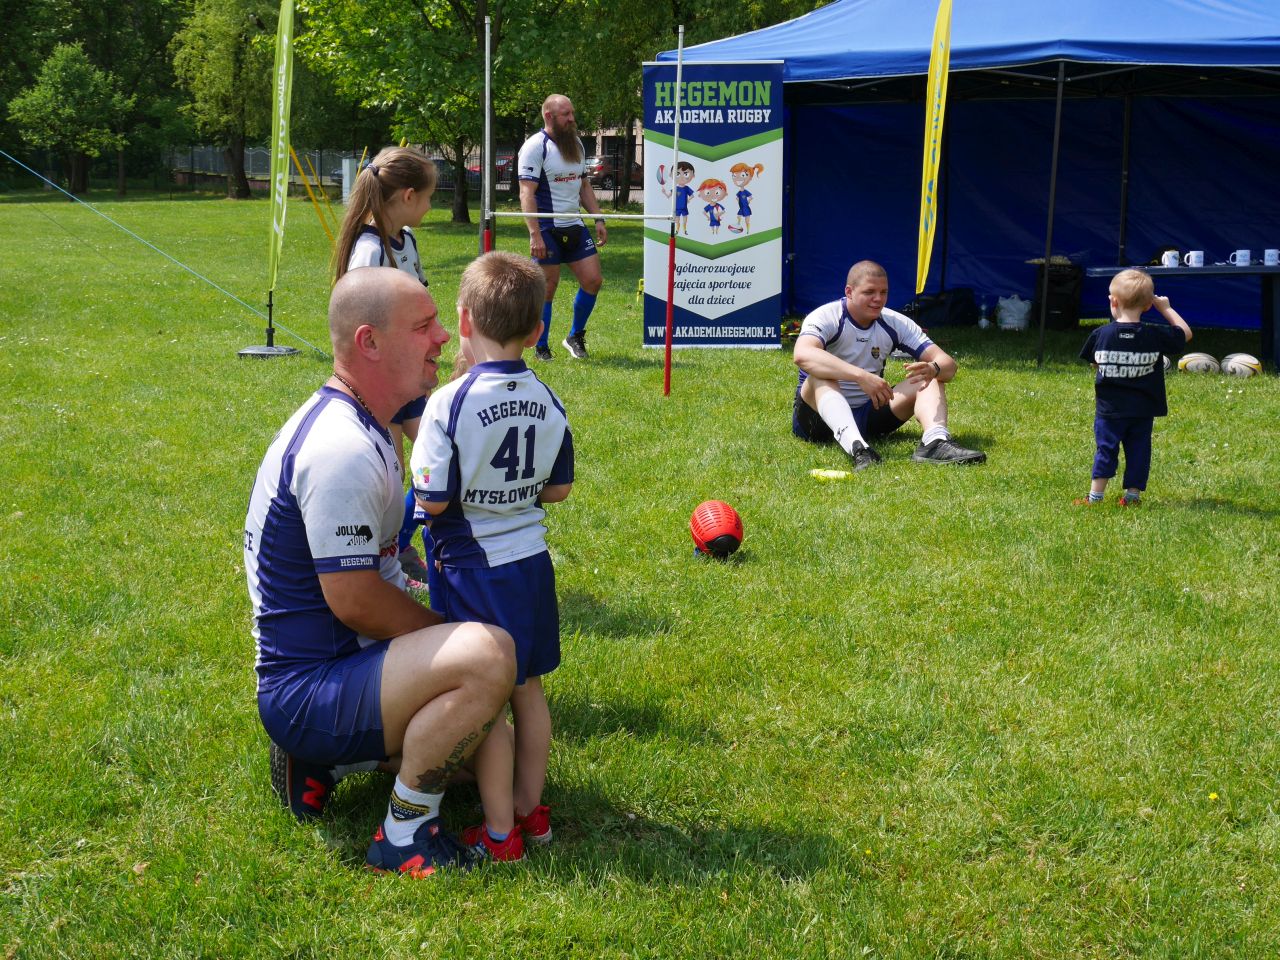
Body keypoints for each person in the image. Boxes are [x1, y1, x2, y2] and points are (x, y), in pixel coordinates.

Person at [244, 267, 516, 877]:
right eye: (424, 326)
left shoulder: (364, 421)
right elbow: (356, 600)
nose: (442, 337)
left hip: (338, 666)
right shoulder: (340, 449)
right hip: (309, 689)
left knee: (501, 748)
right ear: (369, 342)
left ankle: (331, 761)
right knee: (488, 659)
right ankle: (404, 832)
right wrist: (447, 636)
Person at [410, 251, 574, 862]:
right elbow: (558, 490)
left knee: (486, 702)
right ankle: (533, 812)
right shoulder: (549, 399)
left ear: (463, 320)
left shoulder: (447, 403)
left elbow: (433, 499)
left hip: (471, 570)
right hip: (531, 563)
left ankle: (501, 833)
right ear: (536, 330)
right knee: (528, 690)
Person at [333, 145, 443, 595]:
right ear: (408, 196)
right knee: (392, 474)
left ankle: (404, 542)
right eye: (429, 197)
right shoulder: (367, 250)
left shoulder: (407, 241)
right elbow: (357, 321)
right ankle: (390, 557)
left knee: (436, 453)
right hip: (380, 382)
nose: (432, 206)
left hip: (409, 376)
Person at [792, 260, 986, 469]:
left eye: (883, 292)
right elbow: (802, 354)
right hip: (816, 420)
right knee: (819, 378)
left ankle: (935, 442)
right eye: (869, 292)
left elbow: (949, 366)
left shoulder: (895, 322)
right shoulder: (826, 316)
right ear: (849, 292)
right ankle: (859, 450)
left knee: (929, 376)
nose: (878, 299)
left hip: (869, 414)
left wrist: (933, 368)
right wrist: (860, 376)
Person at [1076, 268, 1191, 506]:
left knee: (1106, 450)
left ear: (1113, 301)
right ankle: (1132, 497)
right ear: (1148, 305)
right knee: (1139, 451)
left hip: (1109, 410)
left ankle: (1095, 497)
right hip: (1143, 409)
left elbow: (1094, 362)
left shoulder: (1101, 334)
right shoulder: (1153, 335)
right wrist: (1166, 308)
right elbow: (1185, 334)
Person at [518, 93, 607, 361]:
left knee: (593, 280)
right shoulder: (535, 146)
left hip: (575, 225)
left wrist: (598, 218)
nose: (572, 118)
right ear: (549, 116)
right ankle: (541, 346)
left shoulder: (576, 144)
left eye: (572, 113)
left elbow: (584, 186)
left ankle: (574, 336)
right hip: (547, 228)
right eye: (566, 114)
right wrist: (535, 234)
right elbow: (526, 193)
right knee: (547, 288)